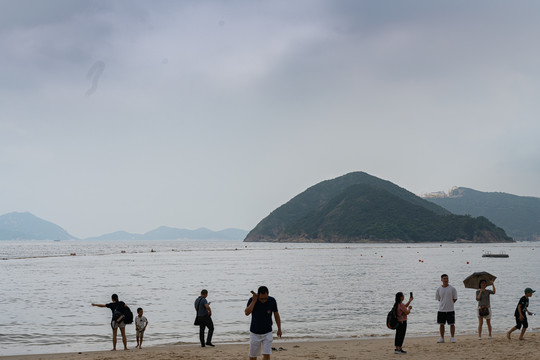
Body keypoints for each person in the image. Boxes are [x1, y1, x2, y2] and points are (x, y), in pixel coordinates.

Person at [245, 286, 282, 360]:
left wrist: (279, 329)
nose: (264, 300)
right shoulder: (252, 300)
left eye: (265, 298)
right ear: (258, 295)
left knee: (267, 355)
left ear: (268, 295)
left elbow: (276, 315)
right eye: (261, 298)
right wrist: (254, 301)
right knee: (252, 356)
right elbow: (247, 313)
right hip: (254, 333)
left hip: (267, 332)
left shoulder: (272, 300)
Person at [435, 274, 458, 343]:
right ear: (441, 280)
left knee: (452, 324)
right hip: (441, 309)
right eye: (444, 279)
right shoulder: (439, 289)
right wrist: (444, 303)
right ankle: (442, 338)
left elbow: (455, 298)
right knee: (441, 324)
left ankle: (452, 337)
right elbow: (438, 299)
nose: (446, 280)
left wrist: (450, 303)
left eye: (447, 278)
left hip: (450, 309)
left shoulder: (452, 288)